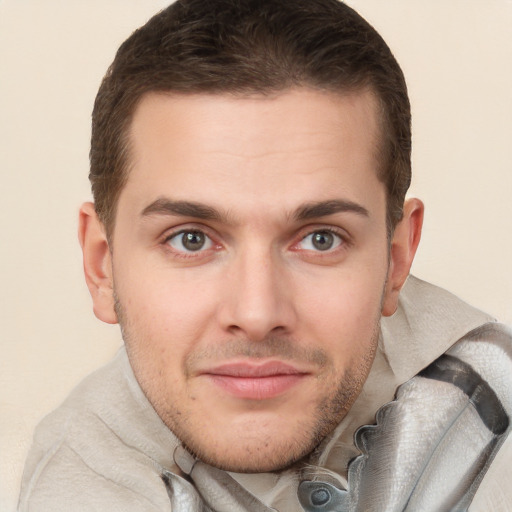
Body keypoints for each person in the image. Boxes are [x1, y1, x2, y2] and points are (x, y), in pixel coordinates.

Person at [18, 0, 512, 510]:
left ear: (397, 258)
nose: (256, 315)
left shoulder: (490, 391)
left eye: (321, 238)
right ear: (103, 267)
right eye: (191, 239)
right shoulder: (83, 483)